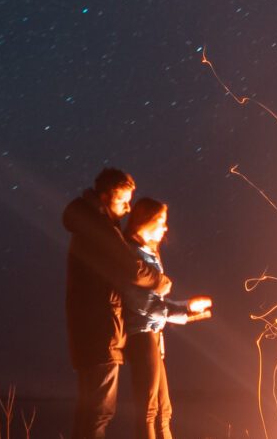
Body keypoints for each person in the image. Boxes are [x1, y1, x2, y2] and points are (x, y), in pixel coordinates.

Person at [63, 167, 169, 439]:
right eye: (123, 200)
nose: (127, 207)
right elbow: (132, 269)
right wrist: (160, 282)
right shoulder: (98, 227)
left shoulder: (93, 224)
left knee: (91, 412)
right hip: (99, 333)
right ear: (107, 195)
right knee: (99, 412)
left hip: (93, 331)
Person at [116, 198, 210, 439]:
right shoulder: (132, 254)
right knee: (149, 411)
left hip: (153, 336)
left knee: (164, 410)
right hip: (142, 336)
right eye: (160, 221)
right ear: (144, 221)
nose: (165, 228)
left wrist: (188, 307)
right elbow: (142, 303)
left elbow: (154, 303)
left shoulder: (148, 252)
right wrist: (182, 312)